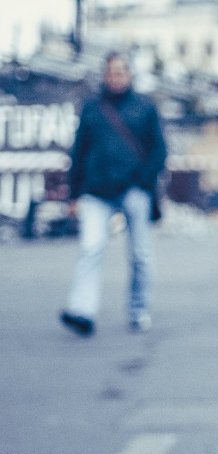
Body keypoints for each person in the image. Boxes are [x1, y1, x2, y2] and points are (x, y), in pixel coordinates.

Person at [60, 52, 167, 337]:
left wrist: (142, 181)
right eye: (111, 72)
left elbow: (159, 150)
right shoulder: (92, 108)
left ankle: (138, 309)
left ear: (129, 75)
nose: (115, 77)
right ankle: (82, 311)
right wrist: (73, 194)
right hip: (97, 190)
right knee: (91, 248)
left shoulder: (145, 107)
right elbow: (79, 151)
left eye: (120, 72)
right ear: (104, 75)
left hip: (134, 189)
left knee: (140, 254)